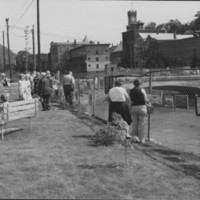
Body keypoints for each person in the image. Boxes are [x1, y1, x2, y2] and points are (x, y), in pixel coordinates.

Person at [129, 79, 149, 144]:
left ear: (134, 84)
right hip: (141, 107)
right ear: (140, 83)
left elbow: (130, 100)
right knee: (142, 124)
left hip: (133, 107)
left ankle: (134, 138)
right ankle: (141, 140)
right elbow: (145, 99)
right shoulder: (142, 89)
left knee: (134, 124)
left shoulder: (131, 91)